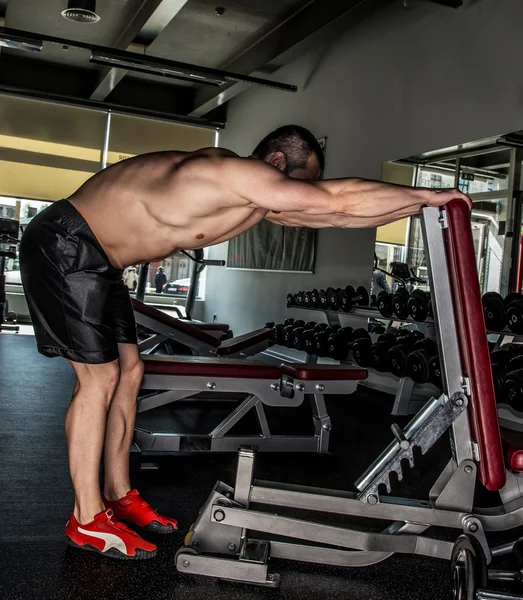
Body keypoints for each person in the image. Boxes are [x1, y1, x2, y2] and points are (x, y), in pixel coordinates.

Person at [19, 124, 471, 560]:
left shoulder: (251, 197)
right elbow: (333, 198)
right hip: (66, 244)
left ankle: (118, 496)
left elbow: (332, 211)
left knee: (130, 371)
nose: (299, 193)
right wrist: (432, 194)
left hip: (102, 260)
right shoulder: (235, 173)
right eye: (299, 180)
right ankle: (86, 516)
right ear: (276, 160)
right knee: (99, 379)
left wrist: (420, 209)